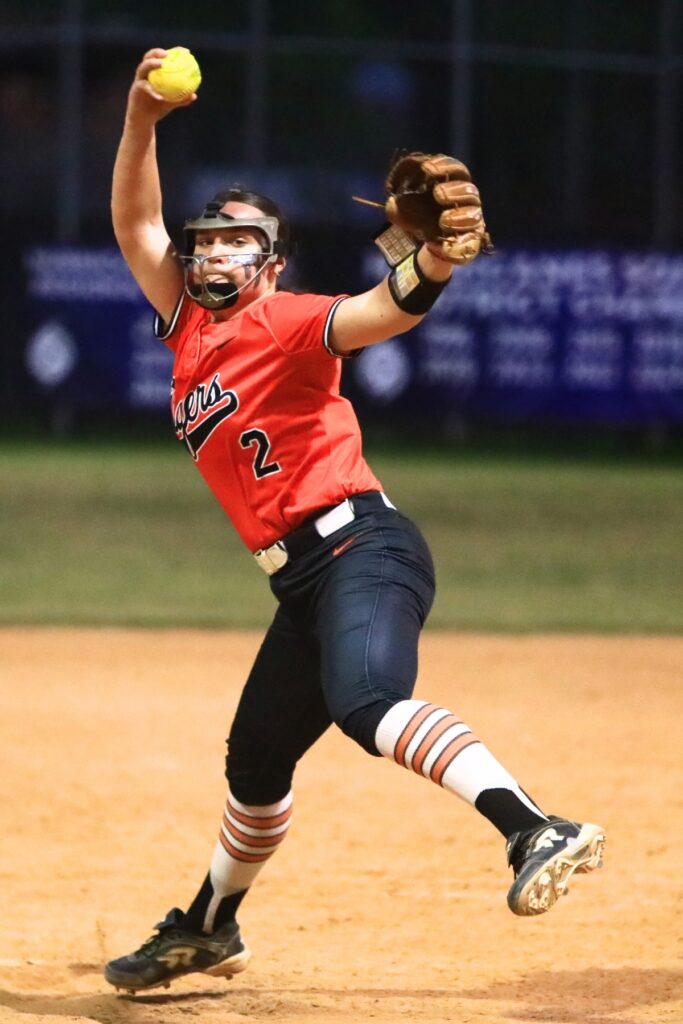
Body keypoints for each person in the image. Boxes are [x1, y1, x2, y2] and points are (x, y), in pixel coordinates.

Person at [104, 48, 606, 994]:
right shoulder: (191, 329)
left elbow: (384, 310)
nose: (214, 251)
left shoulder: (288, 319)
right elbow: (135, 220)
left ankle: (535, 827)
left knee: (366, 704)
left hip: (361, 547)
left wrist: (435, 259)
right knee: (255, 762)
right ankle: (210, 926)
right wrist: (141, 117)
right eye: (207, 237)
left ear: (271, 262)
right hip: (300, 580)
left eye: (239, 239)